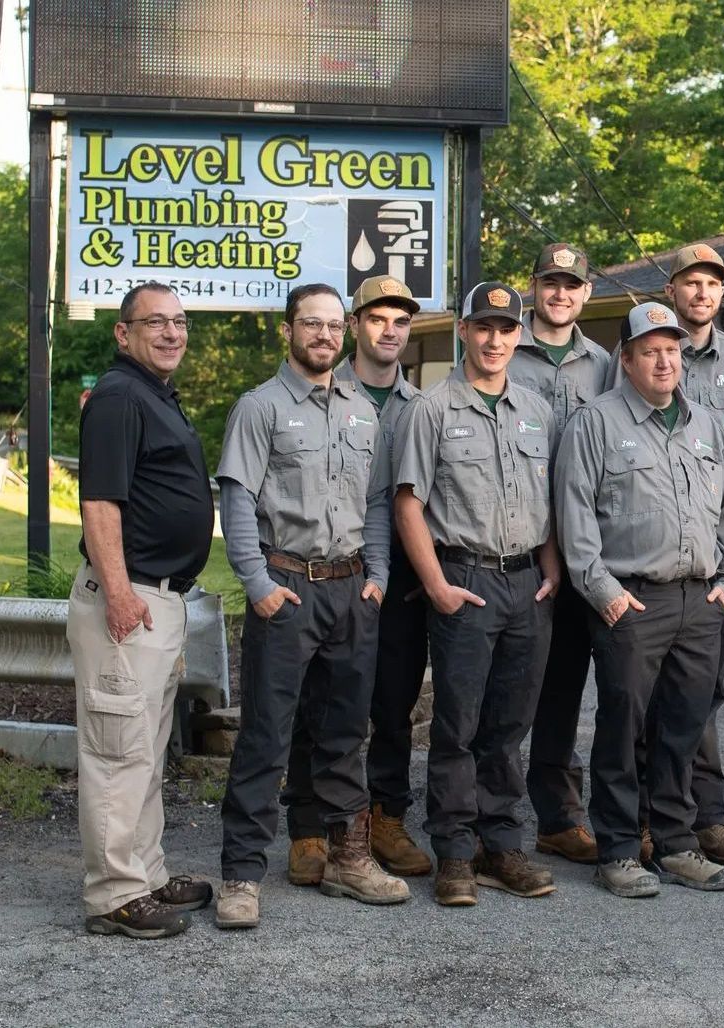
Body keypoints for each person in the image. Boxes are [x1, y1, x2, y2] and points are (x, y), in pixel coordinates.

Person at [214, 283, 405, 929]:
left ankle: (349, 861)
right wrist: (257, 583)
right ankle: (241, 874)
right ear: (289, 330)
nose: (322, 336)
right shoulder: (259, 407)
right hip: (286, 588)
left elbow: (377, 503)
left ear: (343, 329)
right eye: (310, 324)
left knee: (347, 735)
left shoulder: (361, 411)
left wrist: (376, 576)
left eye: (331, 325)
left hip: (351, 592)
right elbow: (238, 500)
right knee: (267, 736)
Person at [555, 301, 724, 898]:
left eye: (672, 350)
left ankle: (676, 843)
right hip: (632, 603)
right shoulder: (595, 422)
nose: (665, 360)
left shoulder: (705, 424)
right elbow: (574, 517)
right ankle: (617, 850)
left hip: (699, 601)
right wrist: (604, 594)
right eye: (651, 351)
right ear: (628, 360)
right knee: (622, 728)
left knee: (684, 727)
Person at [394, 282, 562, 907]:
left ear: (520, 336)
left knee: (509, 725)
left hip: (528, 585)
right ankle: (456, 853)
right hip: (464, 579)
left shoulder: (538, 410)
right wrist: (436, 583)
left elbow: (548, 500)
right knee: (458, 725)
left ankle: (501, 843)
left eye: (506, 328)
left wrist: (551, 570)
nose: (495, 340)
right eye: (483, 327)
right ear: (464, 331)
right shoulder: (431, 409)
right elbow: (408, 502)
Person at [69, 282, 215, 938]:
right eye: (154, 322)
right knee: (118, 751)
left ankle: (146, 874)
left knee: (145, 752)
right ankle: (113, 895)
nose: (171, 333)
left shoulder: (151, 395)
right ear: (123, 334)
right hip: (128, 600)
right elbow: (100, 504)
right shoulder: (120, 396)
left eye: (179, 322)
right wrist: (123, 595)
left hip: (158, 598)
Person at [279, 275, 432, 887]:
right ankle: (310, 825)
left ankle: (383, 818)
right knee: (320, 704)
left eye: (400, 320)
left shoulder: (423, 404)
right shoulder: (321, 389)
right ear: (355, 325)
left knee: (393, 704)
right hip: (335, 574)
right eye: (377, 319)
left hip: (402, 578)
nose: (389, 330)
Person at [625, 243, 724, 866]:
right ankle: (641, 818)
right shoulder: (639, 354)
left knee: (703, 689)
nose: (702, 293)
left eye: (712, 283)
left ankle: (703, 816)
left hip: (719, 556)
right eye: (691, 282)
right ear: (673, 290)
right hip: (653, 558)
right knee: (643, 693)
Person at [512, 242, 615, 867]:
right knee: (513, 688)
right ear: (534, 286)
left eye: (572, 285)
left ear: (585, 294)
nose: (560, 294)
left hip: (584, 547)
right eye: (551, 282)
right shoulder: (498, 347)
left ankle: (559, 815)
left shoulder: (604, 365)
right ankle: (475, 812)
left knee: (570, 687)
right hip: (518, 546)